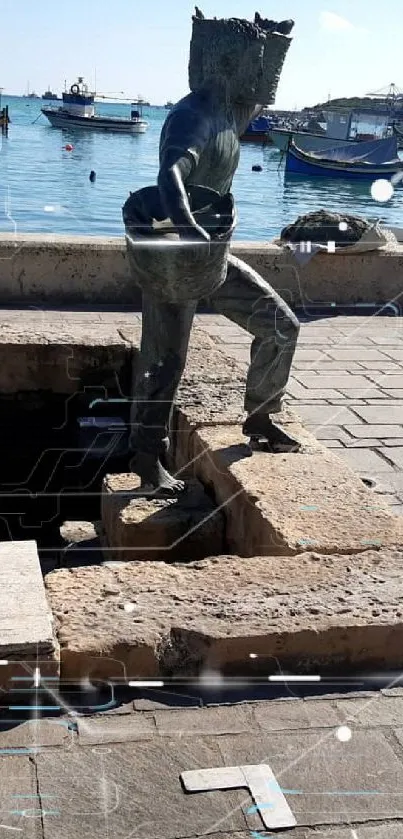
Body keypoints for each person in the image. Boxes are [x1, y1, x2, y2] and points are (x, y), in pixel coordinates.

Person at [125, 10, 301, 495]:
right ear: (229, 61)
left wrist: (276, 40)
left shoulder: (232, 110)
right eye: (252, 59)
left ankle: (261, 419)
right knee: (165, 362)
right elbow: (170, 177)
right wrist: (190, 229)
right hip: (175, 259)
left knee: (280, 326)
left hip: (214, 256)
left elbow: (267, 88)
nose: (258, 71)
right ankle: (147, 459)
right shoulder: (193, 116)